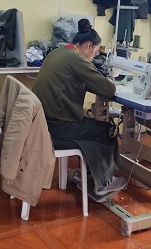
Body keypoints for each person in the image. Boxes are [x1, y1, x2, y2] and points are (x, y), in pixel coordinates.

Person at [33, 19, 126, 197]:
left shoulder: (57, 52)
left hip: (42, 123)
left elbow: (75, 81)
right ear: (89, 46)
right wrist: (107, 80)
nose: (93, 57)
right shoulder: (76, 58)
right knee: (107, 131)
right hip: (58, 128)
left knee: (93, 125)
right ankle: (103, 182)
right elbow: (109, 89)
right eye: (95, 52)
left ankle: (83, 175)